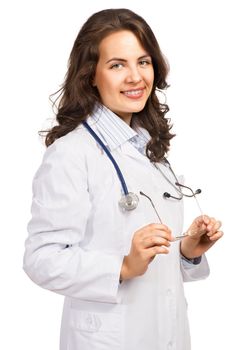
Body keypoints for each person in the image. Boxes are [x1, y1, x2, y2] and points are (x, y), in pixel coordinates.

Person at [23, 8, 223, 350]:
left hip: (168, 333)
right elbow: (41, 259)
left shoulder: (149, 148)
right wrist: (123, 265)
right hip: (109, 339)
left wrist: (187, 251)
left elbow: (152, 261)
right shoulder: (71, 154)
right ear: (90, 75)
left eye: (143, 62)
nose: (135, 77)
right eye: (117, 65)